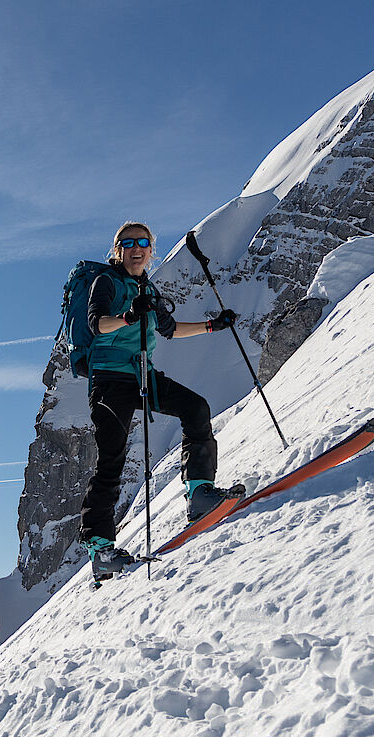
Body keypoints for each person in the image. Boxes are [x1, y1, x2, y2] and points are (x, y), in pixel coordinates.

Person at [79, 221, 244, 578]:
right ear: (118, 249)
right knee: (112, 458)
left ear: (151, 250)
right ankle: (101, 551)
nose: (136, 248)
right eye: (128, 243)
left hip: (142, 374)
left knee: (195, 408)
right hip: (109, 379)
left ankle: (200, 493)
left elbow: (169, 330)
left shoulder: (148, 290)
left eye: (143, 242)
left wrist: (214, 325)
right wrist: (127, 316)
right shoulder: (105, 282)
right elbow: (97, 325)